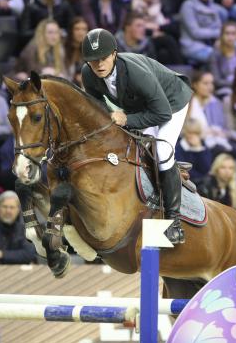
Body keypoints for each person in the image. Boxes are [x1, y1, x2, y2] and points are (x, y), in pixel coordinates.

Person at [81, 28, 192, 244]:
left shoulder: (135, 73)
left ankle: (174, 223)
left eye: (103, 58)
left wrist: (127, 120)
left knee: (162, 151)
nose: (99, 65)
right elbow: (99, 108)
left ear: (114, 53)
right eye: (93, 61)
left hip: (172, 103)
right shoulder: (88, 74)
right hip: (142, 106)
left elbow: (162, 113)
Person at [0, 190, 36, 264]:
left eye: (12, 207)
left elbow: (28, 255)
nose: (8, 211)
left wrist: (0, 254)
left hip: (19, 272)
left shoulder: (25, 229)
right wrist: (17, 256)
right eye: (4, 207)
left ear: (18, 210)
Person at [187, 71, 230, 156]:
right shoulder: (188, 103)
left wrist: (219, 132)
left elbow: (224, 127)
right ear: (195, 85)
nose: (210, 87)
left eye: (211, 83)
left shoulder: (216, 102)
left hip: (216, 139)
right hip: (194, 139)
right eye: (205, 83)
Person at [208, 22, 236, 98]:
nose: (230, 37)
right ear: (222, 36)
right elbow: (216, 80)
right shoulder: (215, 54)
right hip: (224, 89)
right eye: (227, 33)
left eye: (233, 34)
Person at [179, 0, 223, 64]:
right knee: (220, 57)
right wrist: (218, 33)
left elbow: (219, 26)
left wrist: (219, 39)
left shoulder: (211, 4)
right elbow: (196, 33)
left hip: (212, 44)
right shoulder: (187, 5)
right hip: (193, 47)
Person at [64, 17, 89, 82]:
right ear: (71, 31)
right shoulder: (63, 47)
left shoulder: (90, 48)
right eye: (77, 29)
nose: (81, 33)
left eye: (84, 29)